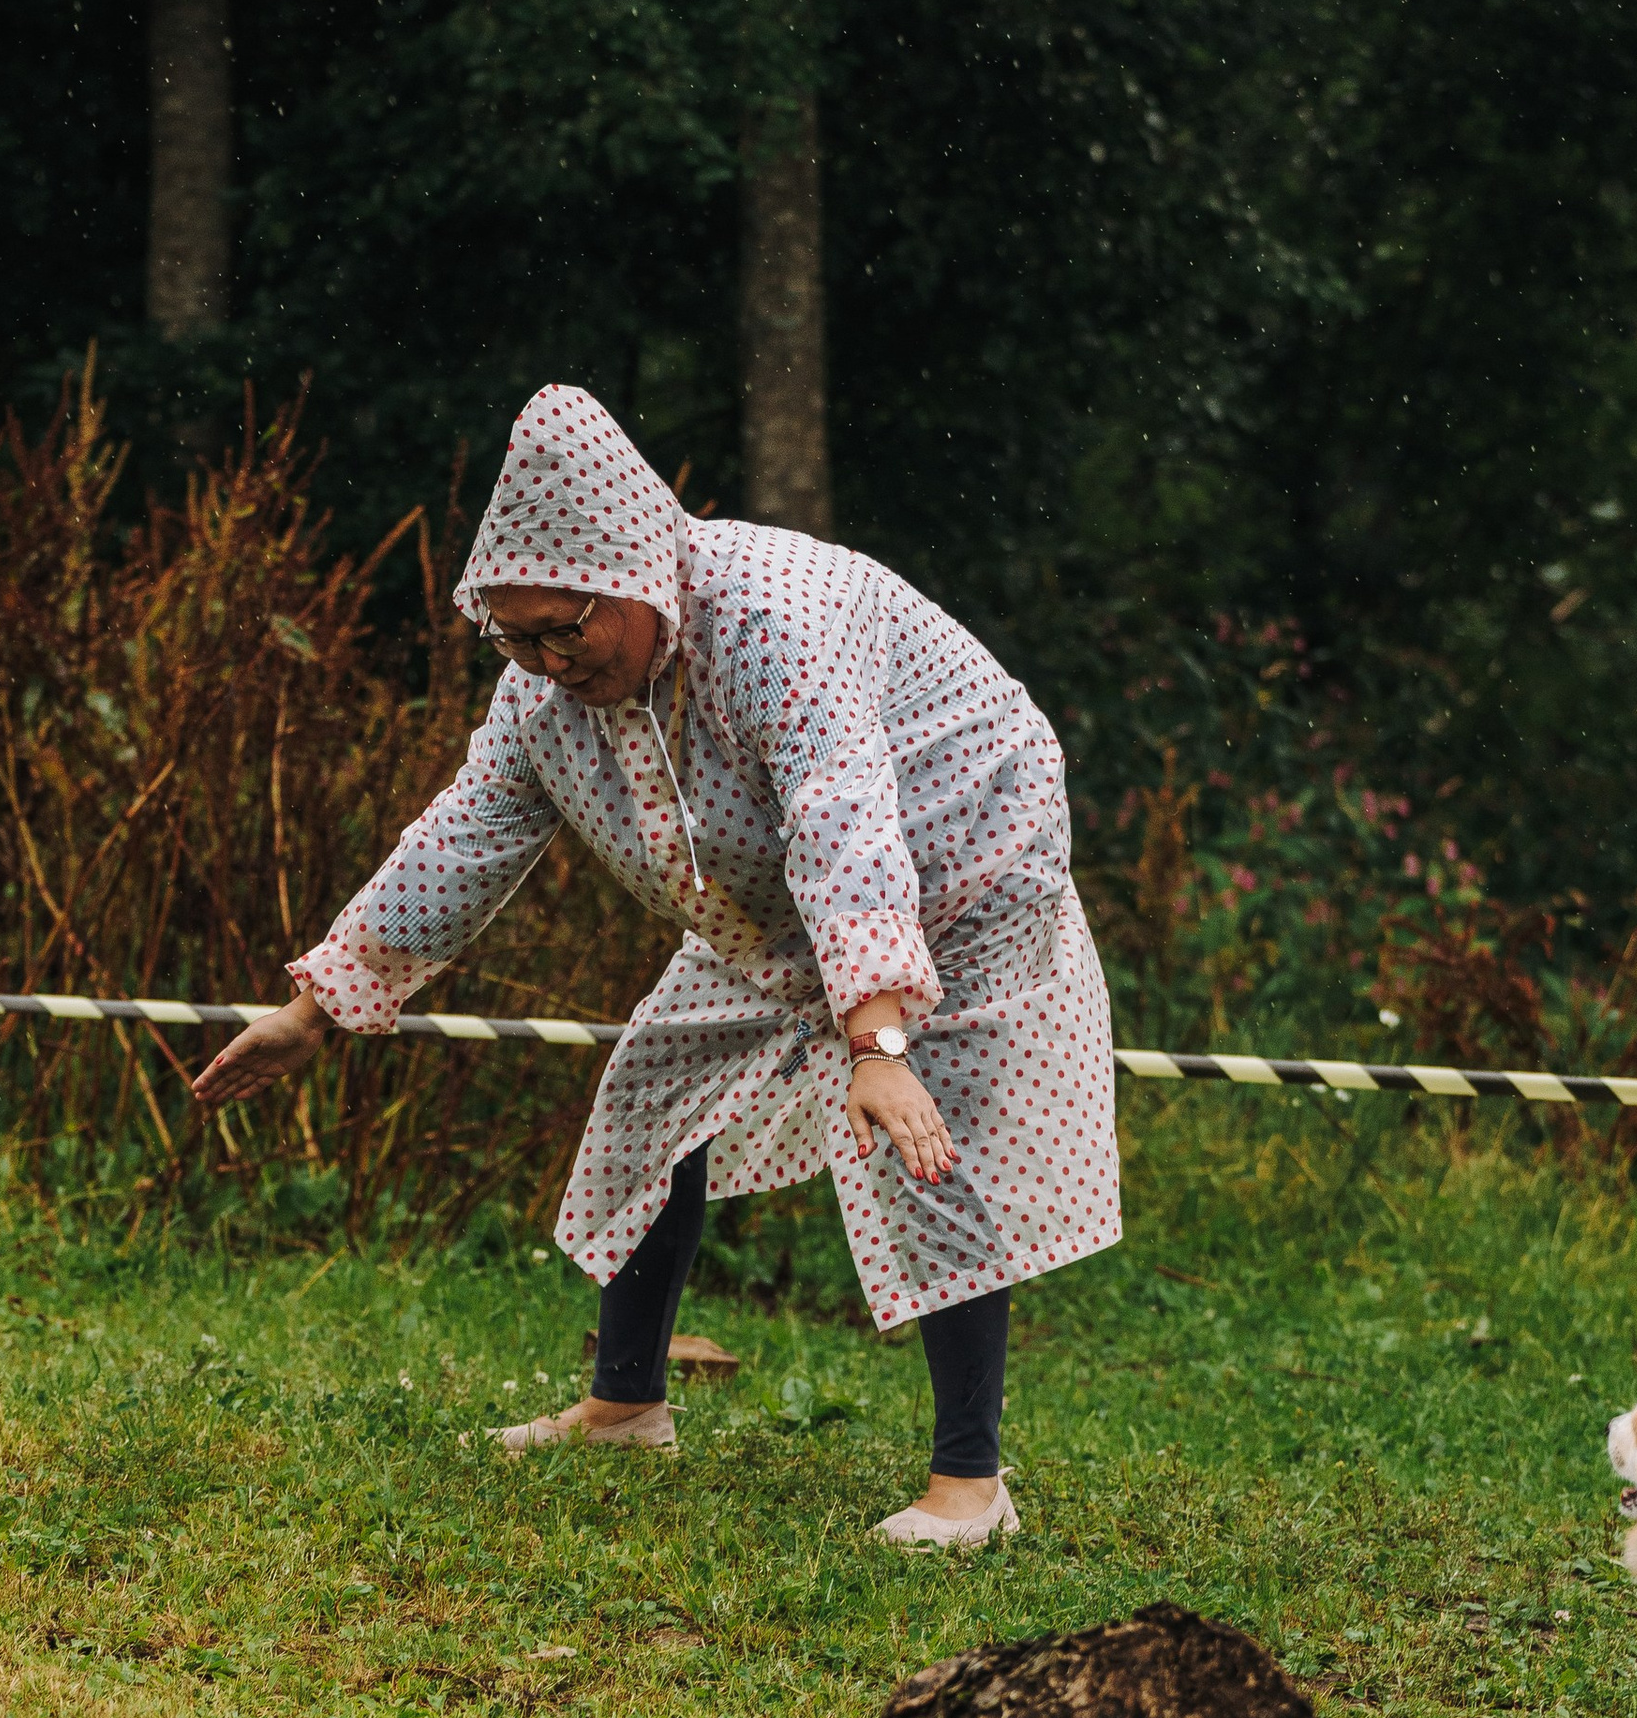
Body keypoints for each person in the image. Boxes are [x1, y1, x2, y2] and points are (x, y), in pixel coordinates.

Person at [189, 385, 1121, 1543]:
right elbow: (467, 833)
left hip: (967, 851)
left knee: (926, 1142)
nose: (540, 660)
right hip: (777, 905)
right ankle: (624, 1405)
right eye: (510, 635)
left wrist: (876, 1040)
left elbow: (841, 812)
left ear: (635, 576)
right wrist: (317, 1006)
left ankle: (968, 1486)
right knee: (652, 1092)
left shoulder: (773, 624)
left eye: (561, 629)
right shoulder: (544, 691)